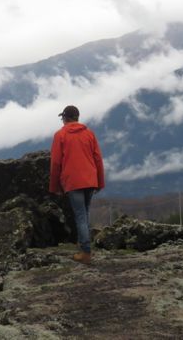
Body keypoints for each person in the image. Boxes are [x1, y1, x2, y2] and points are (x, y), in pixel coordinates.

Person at [49, 105, 104, 265]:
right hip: (90, 179)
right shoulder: (89, 134)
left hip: (73, 181)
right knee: (84, 213)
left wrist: (54, 186)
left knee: (80, 215)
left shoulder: (60, 135)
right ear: (77, 118)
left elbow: (56, 163)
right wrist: (100, 181)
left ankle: (85, 252)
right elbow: (98, 159)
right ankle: (83, 247)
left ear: (65, 118)